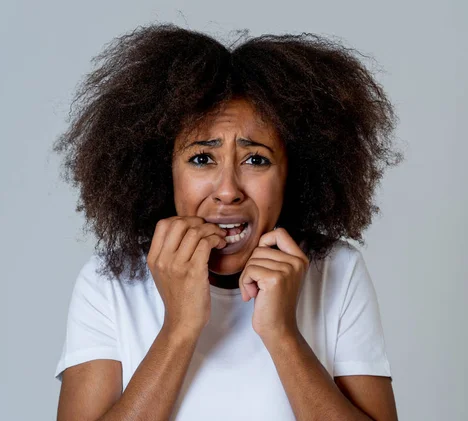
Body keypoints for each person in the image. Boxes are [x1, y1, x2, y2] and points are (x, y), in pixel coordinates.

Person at [52, 23, 403, 421]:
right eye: (202, 158)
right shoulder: (109, 284)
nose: (228, 190)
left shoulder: (336, 272)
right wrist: (179, 328)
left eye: (256, 160)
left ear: (294, 175)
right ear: (162, 171)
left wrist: (283, 335)